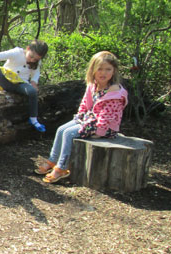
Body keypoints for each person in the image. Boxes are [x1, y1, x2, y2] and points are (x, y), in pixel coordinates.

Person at [35, 51, 128, 183]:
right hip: (90, 120)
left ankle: (62, 167)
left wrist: (99, 132)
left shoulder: (115, 92)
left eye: (108, 69)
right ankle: (52, 160)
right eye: (100, 69)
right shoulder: (93, 86)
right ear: (93, 70)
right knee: (61, 129)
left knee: (68, 133)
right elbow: (85, 104)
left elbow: (107, 116)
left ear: (114, 71)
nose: (104, 73)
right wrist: (79, 117)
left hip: (105, 128)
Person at [0, 39, 49, 132]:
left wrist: (34, 82)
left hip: (20, 84)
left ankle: (33, 119)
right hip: (5, 79)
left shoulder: (37, 63)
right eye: (31, 56)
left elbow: (35, 74)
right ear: (28, 49)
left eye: (35, 59)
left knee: (32, 92)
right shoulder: (17, 53)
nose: (32, 60)